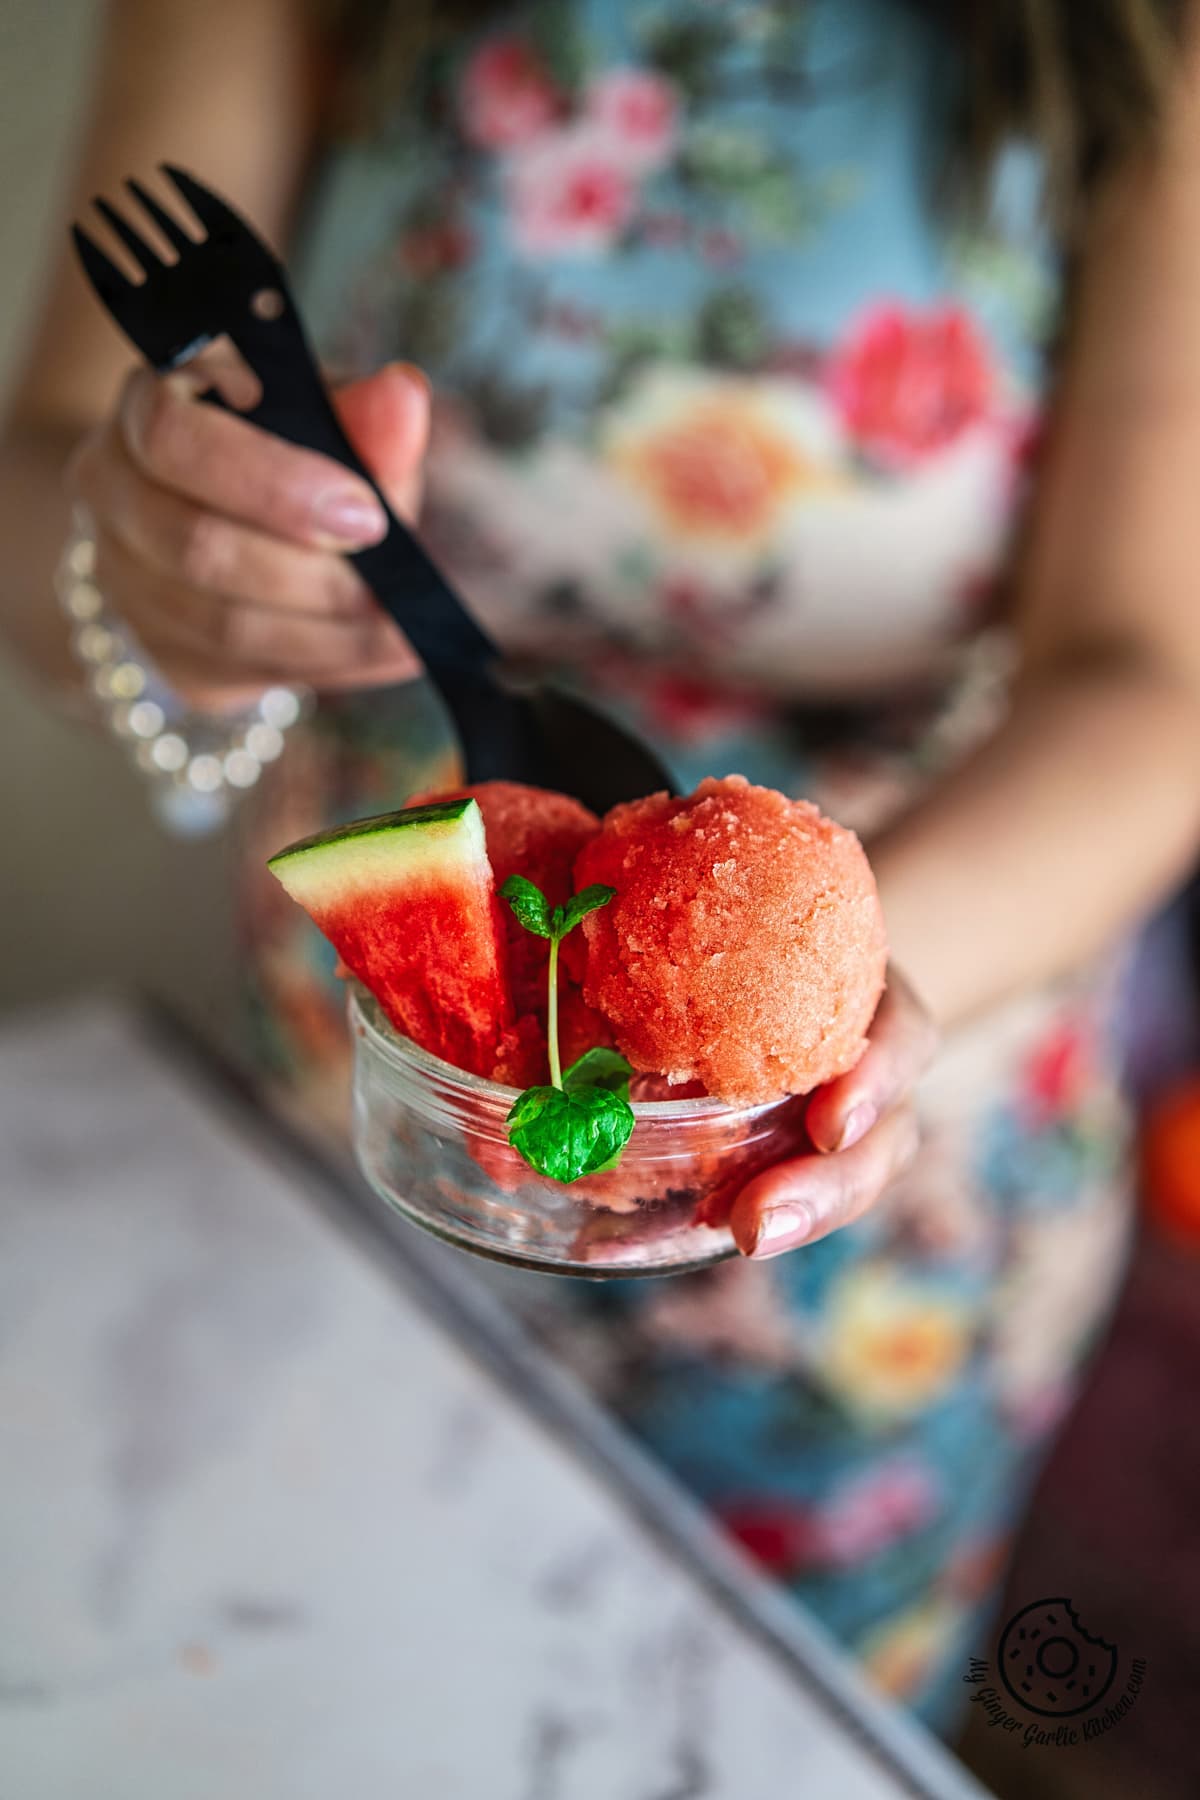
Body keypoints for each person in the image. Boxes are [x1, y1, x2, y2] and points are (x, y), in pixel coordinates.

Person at [5, 0, 1200, 1733]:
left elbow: (1156, 677)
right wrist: (147, 562)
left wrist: (852, 1003)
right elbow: (36, 489)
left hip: (874, 1207)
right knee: (315, 1696)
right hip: (366, 1108)